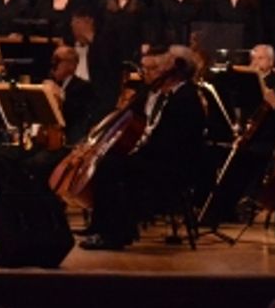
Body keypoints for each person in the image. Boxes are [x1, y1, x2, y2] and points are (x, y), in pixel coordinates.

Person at [80, 48, 207, 250]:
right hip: (157, 158)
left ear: (172, 71)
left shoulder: (186, 98)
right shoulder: (160, 93)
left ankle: (115, 234)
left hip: (174, 166)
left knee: (113, 167)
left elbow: (170, 144)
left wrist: (134, 153)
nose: (148, 73)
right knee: (110, 161)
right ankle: (104, 226)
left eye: (156, 69)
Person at [86, 0, 152, 115]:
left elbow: (144, 33)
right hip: (105, 57)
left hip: (129, 55)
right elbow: (97, 30)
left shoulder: (140, 7)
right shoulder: (103, 5)